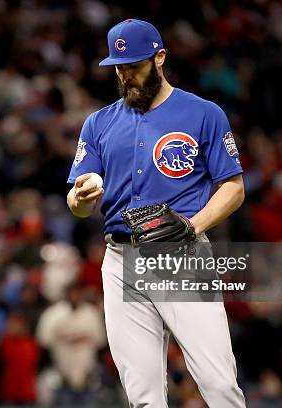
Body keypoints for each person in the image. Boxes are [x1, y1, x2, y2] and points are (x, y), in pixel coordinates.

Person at [67, 19, 246, 407]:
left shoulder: (203, 113)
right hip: (120, 261)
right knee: (143, 396)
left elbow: (233, 188)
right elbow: (77, 205)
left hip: (181, 257)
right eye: (119, 67)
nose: (126, 75)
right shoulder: (98, 124)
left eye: (134, 65)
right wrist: (81, 198)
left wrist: (193, 225)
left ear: (159, 57)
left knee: (218, 385)